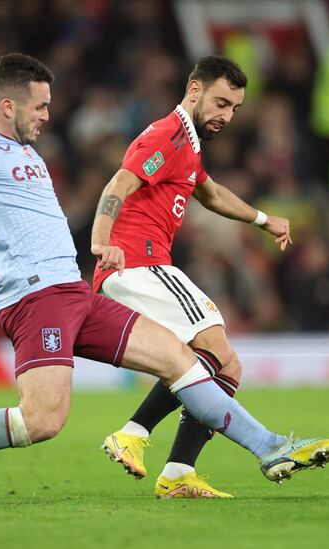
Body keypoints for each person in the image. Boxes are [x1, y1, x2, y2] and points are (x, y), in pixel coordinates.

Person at [0, 53, 329, 508]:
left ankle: (270, 447)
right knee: (41, 422)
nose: (47, 115)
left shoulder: (26, 152)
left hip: (74, 292)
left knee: (182, 359)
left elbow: (4, 213)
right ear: (8, 105)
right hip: (37, 301)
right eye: (39, 106)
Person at [90, 56, 295, 498]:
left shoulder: (190, 143)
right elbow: (117, 186)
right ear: (195, 89)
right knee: (218, 353)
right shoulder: (168, 135)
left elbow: (212, 193)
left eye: (235, 108)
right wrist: (101, 242)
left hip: (141, 266)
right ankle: (134, 433)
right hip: (140, 263)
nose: (226, 116)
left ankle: (178, 471)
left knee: (222, 366)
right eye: (221, 102)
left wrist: (263, 219)